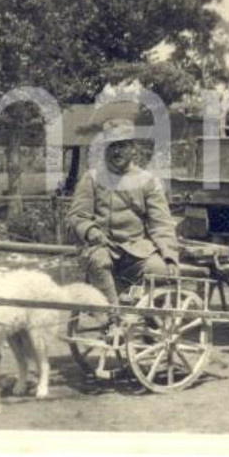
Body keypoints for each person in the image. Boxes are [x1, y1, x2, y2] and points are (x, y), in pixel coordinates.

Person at [67, 113, 181, 313]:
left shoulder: (148, 181)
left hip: (138, 251)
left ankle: (146, 320)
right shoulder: (92, 179)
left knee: (160, 271)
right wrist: (92, 232)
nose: (116, 151)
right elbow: (78, 216)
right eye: (111, 146)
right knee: (99, 261)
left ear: (133, 149)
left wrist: (169, 256)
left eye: (122, 145)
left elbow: (161, 224)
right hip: (103, 247)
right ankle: (114, 315)